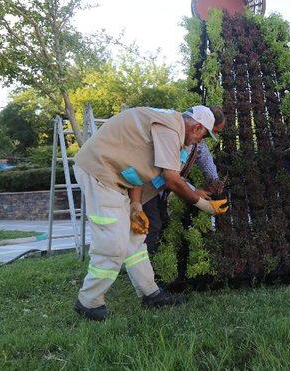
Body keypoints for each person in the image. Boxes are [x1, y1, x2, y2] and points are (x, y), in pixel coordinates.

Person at [72, 105, 228, 321]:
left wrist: (136, 205)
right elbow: (171, 179)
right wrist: (202, 204)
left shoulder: (170, 125)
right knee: (113, 242)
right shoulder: (170, 129)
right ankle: (88, 302)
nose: (201, 141)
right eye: (204, 135)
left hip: (116, 176)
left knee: (135, 239)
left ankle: (150, 293)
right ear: (197, 127)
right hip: (100, 172)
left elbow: (137, 168)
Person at [142, 106, 226, 255]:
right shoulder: (176, 135)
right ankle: (146, 260)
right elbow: (172, 178)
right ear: (201, 126)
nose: (213, 136)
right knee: (152, 225)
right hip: (146, 183)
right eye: (213, 131)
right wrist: (200, 200)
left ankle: (146, 260)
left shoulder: (195, 139)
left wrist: (216, 183)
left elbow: (205, 160)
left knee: (158, 220)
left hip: (156, 186)